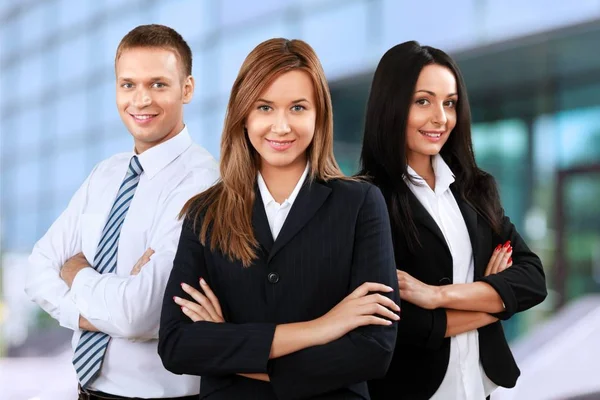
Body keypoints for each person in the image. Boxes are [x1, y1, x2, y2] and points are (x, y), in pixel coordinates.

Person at [158, 38, 400, 400]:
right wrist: (323, 328)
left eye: (298, 108)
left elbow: (374, 350)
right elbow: (177, 343)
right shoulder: (204, 213)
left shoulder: (361, 204)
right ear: (243, 113)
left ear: (319, 115)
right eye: (265, 107)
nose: (281, 126)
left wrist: (230, 349)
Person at [24, 24, 218, 399]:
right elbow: (37, 269)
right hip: (86, 391)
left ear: (187, 89)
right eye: (128, 84)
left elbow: (140, 313)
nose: (141, 100)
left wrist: (76, 272)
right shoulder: (106, 173)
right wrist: (103, 311)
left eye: (158, 84)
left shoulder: (203, 183)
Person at [359, 41, 547, 400]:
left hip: (478, 389)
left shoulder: (475, 189)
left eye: (450, 103)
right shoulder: (366, 200)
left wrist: (437, 295)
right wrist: (491, 300)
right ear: (392, 105)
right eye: (423, 101)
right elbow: (397, 325)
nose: (441, 118)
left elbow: (533, 279)